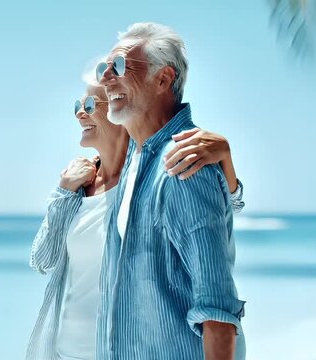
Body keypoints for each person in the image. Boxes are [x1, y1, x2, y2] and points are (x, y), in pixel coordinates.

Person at [26, 78, 245, 359]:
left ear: (121, 110)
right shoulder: (78, 185)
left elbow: (217, 212)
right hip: (64, 352)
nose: (80, 113)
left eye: (90, 105)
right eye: (77, 106)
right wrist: (62, 192)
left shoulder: (150, 177)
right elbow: (42, 260)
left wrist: (225, 158)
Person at [95, 22, 246, 359]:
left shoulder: (185, 164)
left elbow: (217, 311)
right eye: (103, 68)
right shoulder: (136, 159)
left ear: (163, 79)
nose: (106, 79)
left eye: (119, 67)